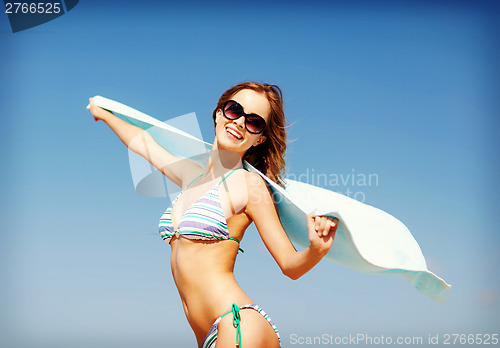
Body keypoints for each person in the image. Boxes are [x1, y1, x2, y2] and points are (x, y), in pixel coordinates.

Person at [88, 82, 338, 348]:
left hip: (238, 324)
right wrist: (104, 114)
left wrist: (316, 249)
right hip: (206, 334)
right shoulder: (191, 176)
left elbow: (289, 265)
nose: (240, 122)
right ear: (219, 113)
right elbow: (144, 143)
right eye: (234, 110)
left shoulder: (250, 186)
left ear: (260, 138)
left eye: (254, 122)